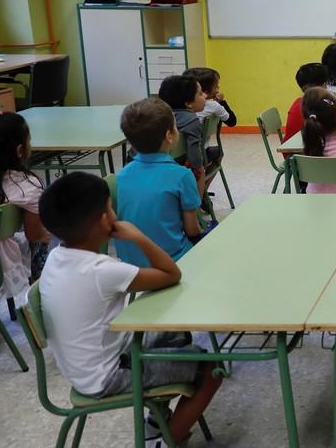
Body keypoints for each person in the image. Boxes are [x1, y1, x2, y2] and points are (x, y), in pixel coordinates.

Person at [38, 172, 223, 446]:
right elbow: (171, 273)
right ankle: (167, 440)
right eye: (111, 208)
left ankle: (155, 419)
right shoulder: (102, 271)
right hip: (107, 376)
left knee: (176, 332)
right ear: (104, 219)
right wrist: (138, 236)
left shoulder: (57, 257)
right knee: (212, 370)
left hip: (86, 365)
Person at [0, 113, 50, 341]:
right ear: (19, 150)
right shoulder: (25, 185)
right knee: (43, 242)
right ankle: (42, 305)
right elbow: (35, 234)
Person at [114, 98, 203, 267]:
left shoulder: (122, 174)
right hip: (172, 260)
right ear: (170, 136)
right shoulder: (182, 175)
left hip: (130, 262)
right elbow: (192, 230)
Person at [158, 75, 208, 200]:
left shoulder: (155, 116)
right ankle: (195, 210)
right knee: (200, 171)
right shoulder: (191, 120)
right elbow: (194, 157)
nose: (205, 96)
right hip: (172, 170)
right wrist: (200, 167)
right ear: (188, 103)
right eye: (201, 93)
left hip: (147, 169)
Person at [285, 62, 330, 145]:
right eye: (325, 83)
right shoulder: (314, 107)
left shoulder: (300, 101)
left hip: (297, 152)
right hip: (299, 153)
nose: (326, 86)